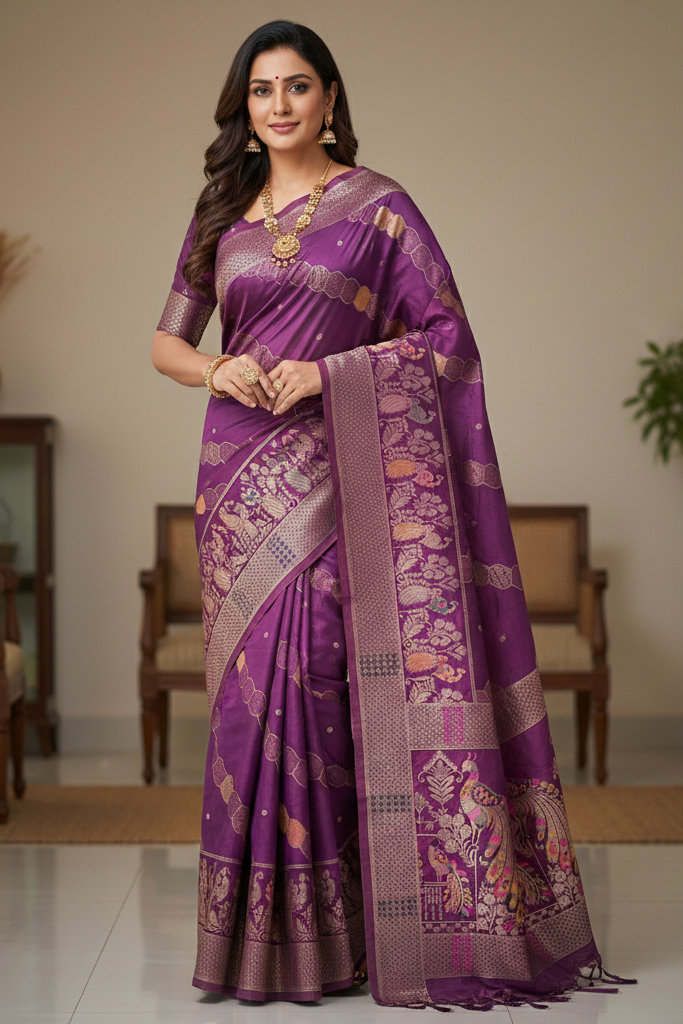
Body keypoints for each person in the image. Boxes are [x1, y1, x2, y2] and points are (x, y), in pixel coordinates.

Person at [152, 19, 628, 1011]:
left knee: (324, 683)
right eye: (259, 93)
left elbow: (446, 339)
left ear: (329, 98)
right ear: (242, 110)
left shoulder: (380, 211)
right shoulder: (222, 218)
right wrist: (217, 364)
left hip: (341, 476)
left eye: (295, 88)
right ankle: (261, 945)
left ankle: (356, 935)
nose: (277, 107)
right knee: (246, 707)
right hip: (239, 477)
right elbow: (166, 343)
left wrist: (329, 374)